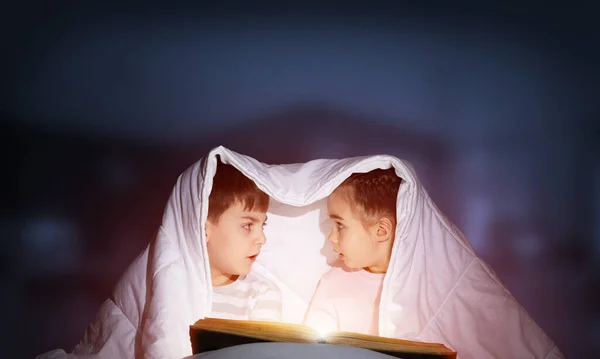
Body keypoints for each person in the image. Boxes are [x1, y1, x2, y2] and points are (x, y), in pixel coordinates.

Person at [304, 168, 401, 336]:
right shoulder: (333, 283)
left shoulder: (422, 286)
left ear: (381, 230)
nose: (331, 237)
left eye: (340, 225)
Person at [204, 159, 281, 321]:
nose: (262, 239)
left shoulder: (260, 294)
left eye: (263, 225)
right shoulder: (172, 287)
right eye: (247, 225)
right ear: (205, 229)